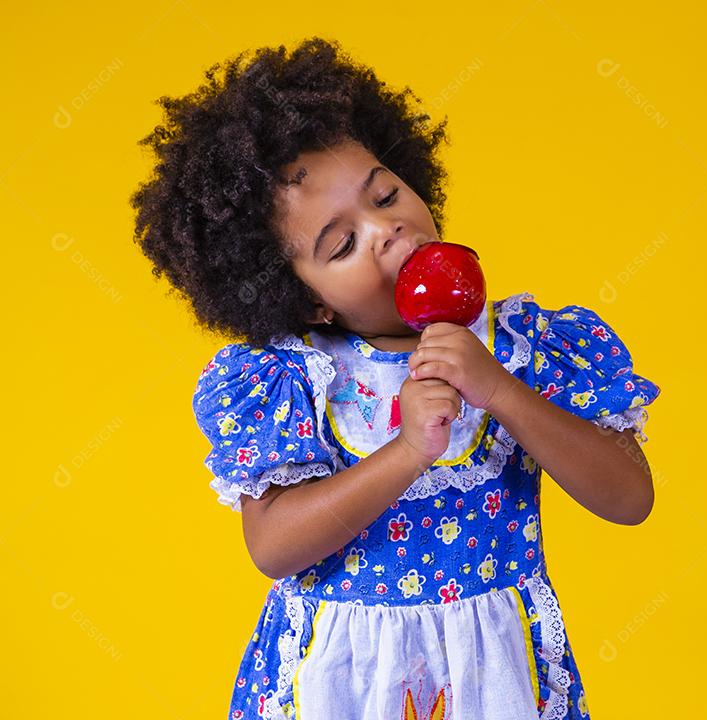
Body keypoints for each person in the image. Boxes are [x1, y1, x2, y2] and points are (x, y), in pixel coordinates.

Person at [131, 36, 661, 720]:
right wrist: (408, 451)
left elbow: (629, 495)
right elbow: (273, 545)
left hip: (495, 679)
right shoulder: (295, 379)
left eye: (385, 194)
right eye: (342, 243)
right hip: (341, 683)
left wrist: (498, 388)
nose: (386, 229)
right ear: (306, 296)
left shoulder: (522, 348)